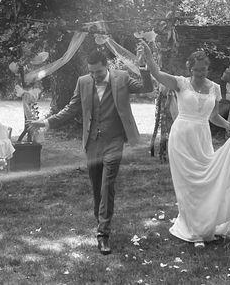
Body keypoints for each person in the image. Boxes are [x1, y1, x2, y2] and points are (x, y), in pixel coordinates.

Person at [29, 48, 153, 255]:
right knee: (96, 186)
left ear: (107, 65)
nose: (95, 76)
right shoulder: (83, 81)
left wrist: (143, 66)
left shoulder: (122, 78)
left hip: (114, 140)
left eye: (99, 72)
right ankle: (101, 219)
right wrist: (47, 122)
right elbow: (72, 108)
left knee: (107, 184)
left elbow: (147, 87)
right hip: (92, 142)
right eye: (92, 72)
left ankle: (103, 234)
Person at [143, 47, 230, 245]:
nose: (200, 73)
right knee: (188, 186)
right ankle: (194, 231)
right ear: (190, 68)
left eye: (203, 70)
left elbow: (214, 116)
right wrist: (149, 57)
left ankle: (206, 224)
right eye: (196, 70)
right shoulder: (180, 83)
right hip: (182, 138)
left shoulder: (214, 88)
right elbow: (157, 74)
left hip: (202, 137)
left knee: (206, 181)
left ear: (207, 69)